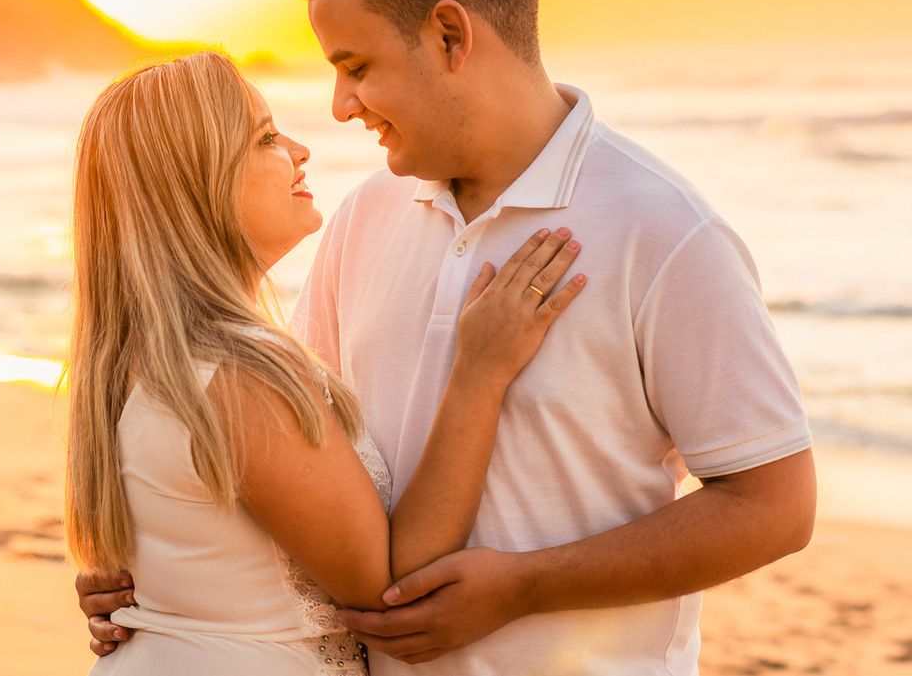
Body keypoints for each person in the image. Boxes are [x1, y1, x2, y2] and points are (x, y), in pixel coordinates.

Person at [81, 0, 816, 674]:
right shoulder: (363, 217)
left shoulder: (664, 232)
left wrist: (526, 585)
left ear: (449, 35)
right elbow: (296, 470)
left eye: (356, 65)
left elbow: (775, 506)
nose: (338, 106)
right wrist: (169, 583)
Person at [66, 49, 586, 675]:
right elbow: (395, 588)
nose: (298, 149)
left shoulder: (135, 360)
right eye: (264, 137)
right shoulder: (239, 374)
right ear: (199, 183)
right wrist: (480, 372)